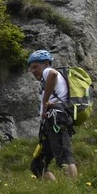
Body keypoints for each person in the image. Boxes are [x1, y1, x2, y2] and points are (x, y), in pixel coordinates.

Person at [29, 50, 78, 181]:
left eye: (36, 67)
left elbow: (53, 73)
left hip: (57, 118)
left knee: (64, 156)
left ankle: (74, 190)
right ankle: (57, 191)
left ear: (45, 63)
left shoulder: (48, 71)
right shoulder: (45, 83)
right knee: (37, 165)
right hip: (50, 123)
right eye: (31, 68)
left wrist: (45, 101)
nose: (33, 70)